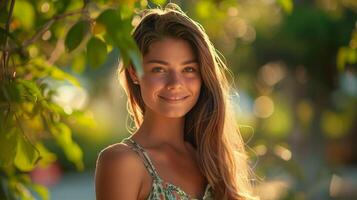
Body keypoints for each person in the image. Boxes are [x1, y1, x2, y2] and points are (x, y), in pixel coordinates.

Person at [95, 3, 257, 200]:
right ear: (134, 72)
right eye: (159, 69)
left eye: (188, 69)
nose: (175, 84)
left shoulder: (212, 159)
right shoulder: (122, 162)